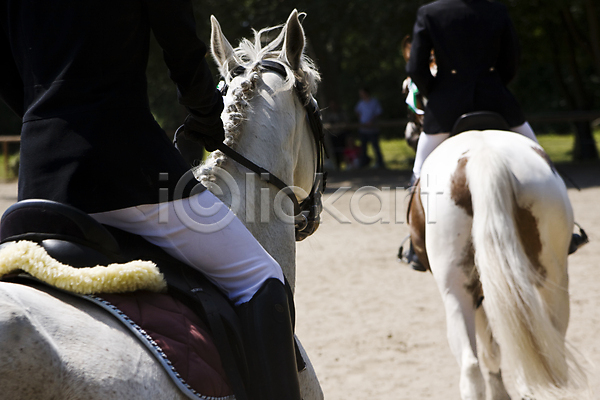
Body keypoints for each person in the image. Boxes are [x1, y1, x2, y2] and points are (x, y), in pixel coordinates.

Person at [0, 1, 300, 399]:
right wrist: (207, 117)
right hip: (127, 168)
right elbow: (181, 45)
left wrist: (52, 121)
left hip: (40, 179)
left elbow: (6, 73)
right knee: (260, 275)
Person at [406, 0, 538, 182]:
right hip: (496, 101)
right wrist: (494, 84)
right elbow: (511, 60)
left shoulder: (429, 13)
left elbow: (415, 68)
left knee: (420, 171)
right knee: (540, 160)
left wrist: (437, 93)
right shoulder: (497, 10)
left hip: (446, 106)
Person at [354, 88, 385, 168]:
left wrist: (372, 121)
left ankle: (380, 163)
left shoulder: (374, 102)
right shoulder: (360, 103)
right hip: (363, 129)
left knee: (375, 146)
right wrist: (361, 120)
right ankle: (363, 163)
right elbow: (357, 111)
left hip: (373, 129)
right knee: (363, 147)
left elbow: (378, 113)